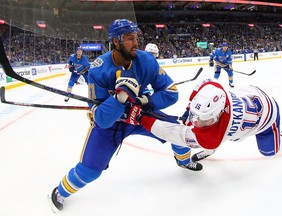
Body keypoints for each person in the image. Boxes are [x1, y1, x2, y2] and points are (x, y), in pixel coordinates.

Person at [48, 19, 197, 213]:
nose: (136, 43)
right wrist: (120, 97)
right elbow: (102, 119)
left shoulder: (147, 60)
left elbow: (171, 92)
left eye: (136, 38)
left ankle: (184, 161)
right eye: (129, 39)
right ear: (115, 42)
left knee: (178, 132)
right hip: (111, 126)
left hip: (141, 116)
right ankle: (60, 191)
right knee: (90, 171)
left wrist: (146, 101)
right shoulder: (98, 69)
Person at [132, 79, 282, 163]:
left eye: (204, 119)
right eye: (196, 116)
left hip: (268, 116)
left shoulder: (212, 138)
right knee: (224, 134)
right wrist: (189, 109)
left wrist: (139, 118)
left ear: (219, 114)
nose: (197, 122)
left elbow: (172, 133)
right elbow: (206, 82)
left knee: (269, 152)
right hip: (252, 95)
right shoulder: (216, 92)